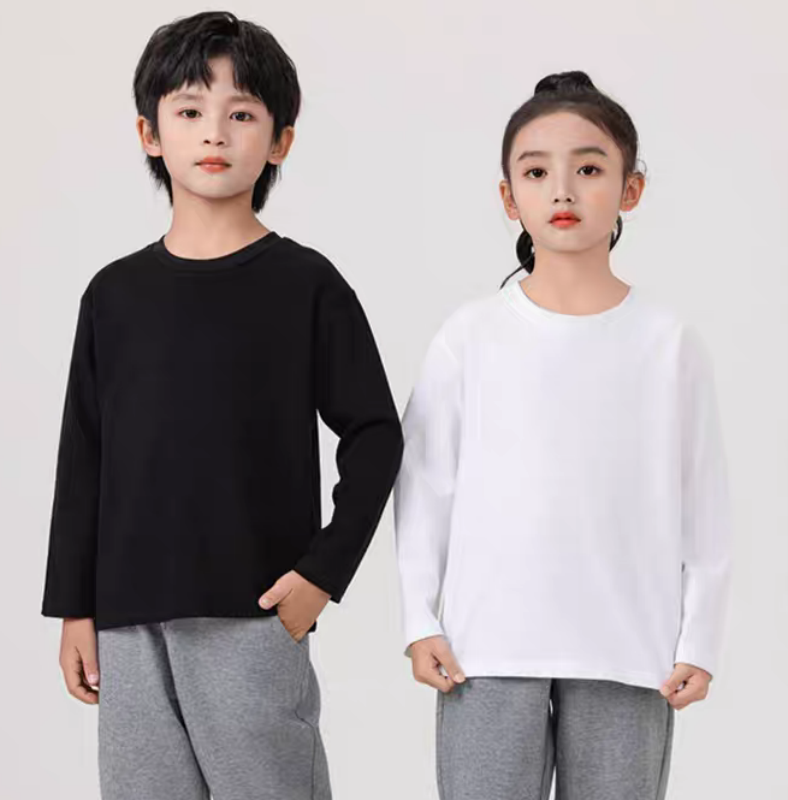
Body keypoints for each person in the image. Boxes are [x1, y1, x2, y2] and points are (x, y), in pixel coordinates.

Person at [40, 11, 403, 800]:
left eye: (241, 114)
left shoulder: (305, 284)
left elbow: (376, 433)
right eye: (189, 110)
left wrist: (321, 575)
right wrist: (74, 608)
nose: (214, 132)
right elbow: (85, 455)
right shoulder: (113, 295)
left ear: (279, 141)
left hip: (253, 609)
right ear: (150, 132)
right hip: (127, 619)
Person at [393, 70, 733, 799]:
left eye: (589, 169)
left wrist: (700, 637)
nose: (563, 191)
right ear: (508, 196)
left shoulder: (668, 342)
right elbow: (424, 486)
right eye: (537, 172)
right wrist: (419, 619)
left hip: (629, 648)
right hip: (485, 648)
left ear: (630, 190)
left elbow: (704, 502)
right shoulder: (470, 335)